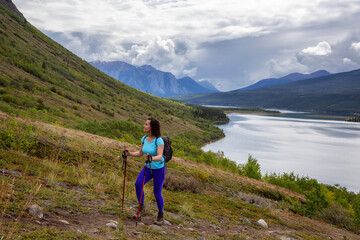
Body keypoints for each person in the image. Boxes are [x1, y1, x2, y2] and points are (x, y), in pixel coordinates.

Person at [125, 117, 166, 225]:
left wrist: (151, 158)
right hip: (147, 167)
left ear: (152, 127)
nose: (144, 125)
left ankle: (160, 215)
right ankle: (142, 208)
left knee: (157, 193)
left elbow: (160, 156)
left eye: (146, 124)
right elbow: (140, 153)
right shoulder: (144, 138)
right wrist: (129, 154)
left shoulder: (159, 140)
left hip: (158, 169)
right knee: (138, 184)